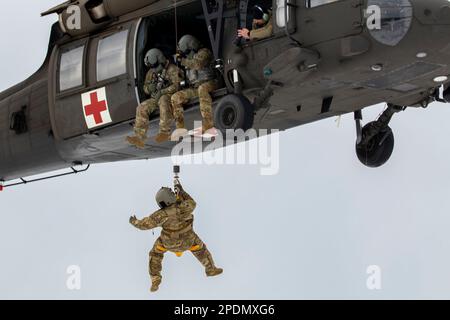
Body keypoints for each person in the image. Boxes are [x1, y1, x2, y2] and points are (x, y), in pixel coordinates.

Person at [129, 181, 223, 292]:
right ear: (170, 198)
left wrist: (134, 221)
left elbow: (143, 225)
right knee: (201, 250)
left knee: (155, 254)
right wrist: (182, 192)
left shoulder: (159, 215)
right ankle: (210, 269)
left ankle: (155, 279)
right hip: (188, 241)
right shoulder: (183, 207)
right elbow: (192, 203)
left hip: (168, 243)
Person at [126, 48, 184, 147]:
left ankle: (164, 132)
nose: (153, 68)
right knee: (141, 107)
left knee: (163, 99)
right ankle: (139, 137)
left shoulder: (173, 69)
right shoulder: (151, 72)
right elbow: (145, 87)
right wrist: (149, 88)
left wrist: (163, 91)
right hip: (155, 98)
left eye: (155, 65)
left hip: (169, 96)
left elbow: (178, 85)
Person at [171, 35, 219, 136]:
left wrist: (182, 61)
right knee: (175, 98)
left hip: (212, 82)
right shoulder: (188, 60)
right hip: (195, 87)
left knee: (202, 89)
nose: (186, 55)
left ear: (191, 47)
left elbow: (198, 64)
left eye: (186, 52)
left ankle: (208, 123)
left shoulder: (204, 52)